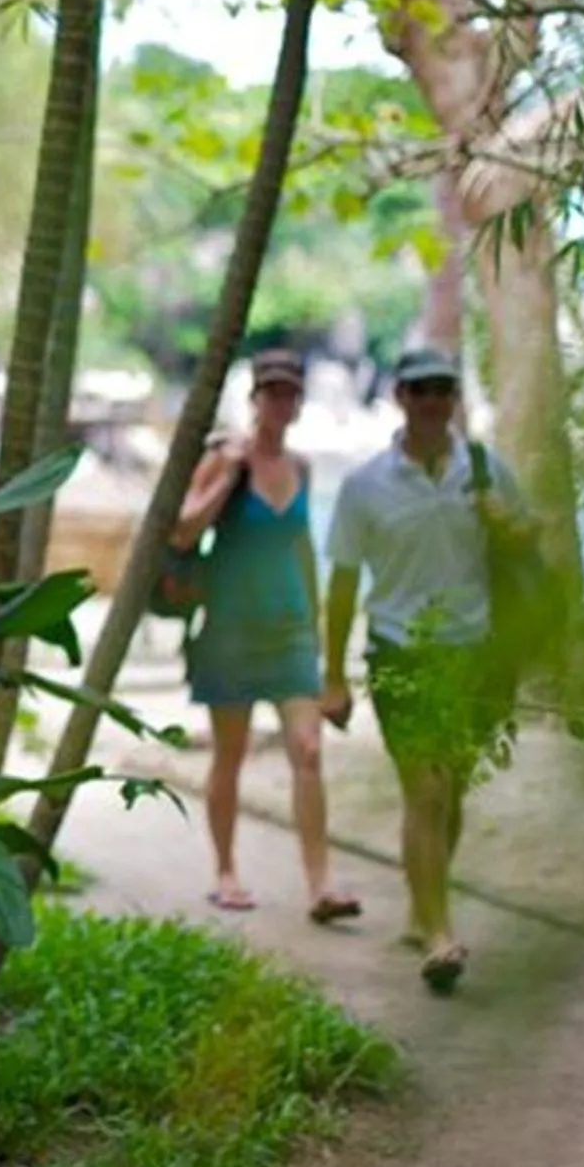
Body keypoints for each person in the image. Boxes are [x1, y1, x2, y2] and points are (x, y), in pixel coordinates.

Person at [323, 346, 534, 993]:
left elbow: (530, 541)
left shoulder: (484, 468)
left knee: (453, 790)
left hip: (475, 652)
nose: (433, 400)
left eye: (444, 388)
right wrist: (331, 675)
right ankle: (442, 934)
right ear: (400, 397)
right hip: (399, 652)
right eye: (421, 389)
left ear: (455, 397)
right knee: (427, 788)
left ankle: (422, 908)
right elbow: (342, 582)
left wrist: (507, 527)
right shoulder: (364, 486)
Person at [174, 348, 360, 925]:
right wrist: (227, 475)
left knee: (308, 749)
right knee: (231, 753)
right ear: (255, 399)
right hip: (230, 629)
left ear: (298, 403)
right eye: (271, 392)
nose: (280, 402)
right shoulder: (225, 459)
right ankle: (225, 872)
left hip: (290, 631)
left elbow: (303, 549)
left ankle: (321, 885)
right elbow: (181, 532)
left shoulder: (302, 468)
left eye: (290, 393)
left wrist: (325, 640)